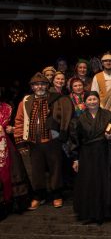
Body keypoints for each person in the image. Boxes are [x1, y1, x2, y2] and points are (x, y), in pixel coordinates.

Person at [14, 72, 74, 210]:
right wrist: (20, 142)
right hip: (33, 142)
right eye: (36, 84)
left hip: (52, 140)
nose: (39, 86)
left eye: (42, 84)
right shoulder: (25, 101)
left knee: (56, 168)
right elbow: (19, 122)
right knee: (36, 170)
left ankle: (56, 195)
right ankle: (38, 196)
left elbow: (64, 116)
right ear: (32, 87)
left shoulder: (55, 99)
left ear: (47, 86)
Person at [69, 91, 111, 223]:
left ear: (99, 100)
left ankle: (106, 212)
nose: (92, 102)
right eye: (89, 99)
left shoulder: (109, 115)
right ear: (85, 102)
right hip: (87, 155)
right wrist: (75, 158)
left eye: (94, 99)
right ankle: (89, 213)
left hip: (104, 153)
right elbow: (75, 140)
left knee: (105, 181)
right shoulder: (79, 119)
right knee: (89, 183)